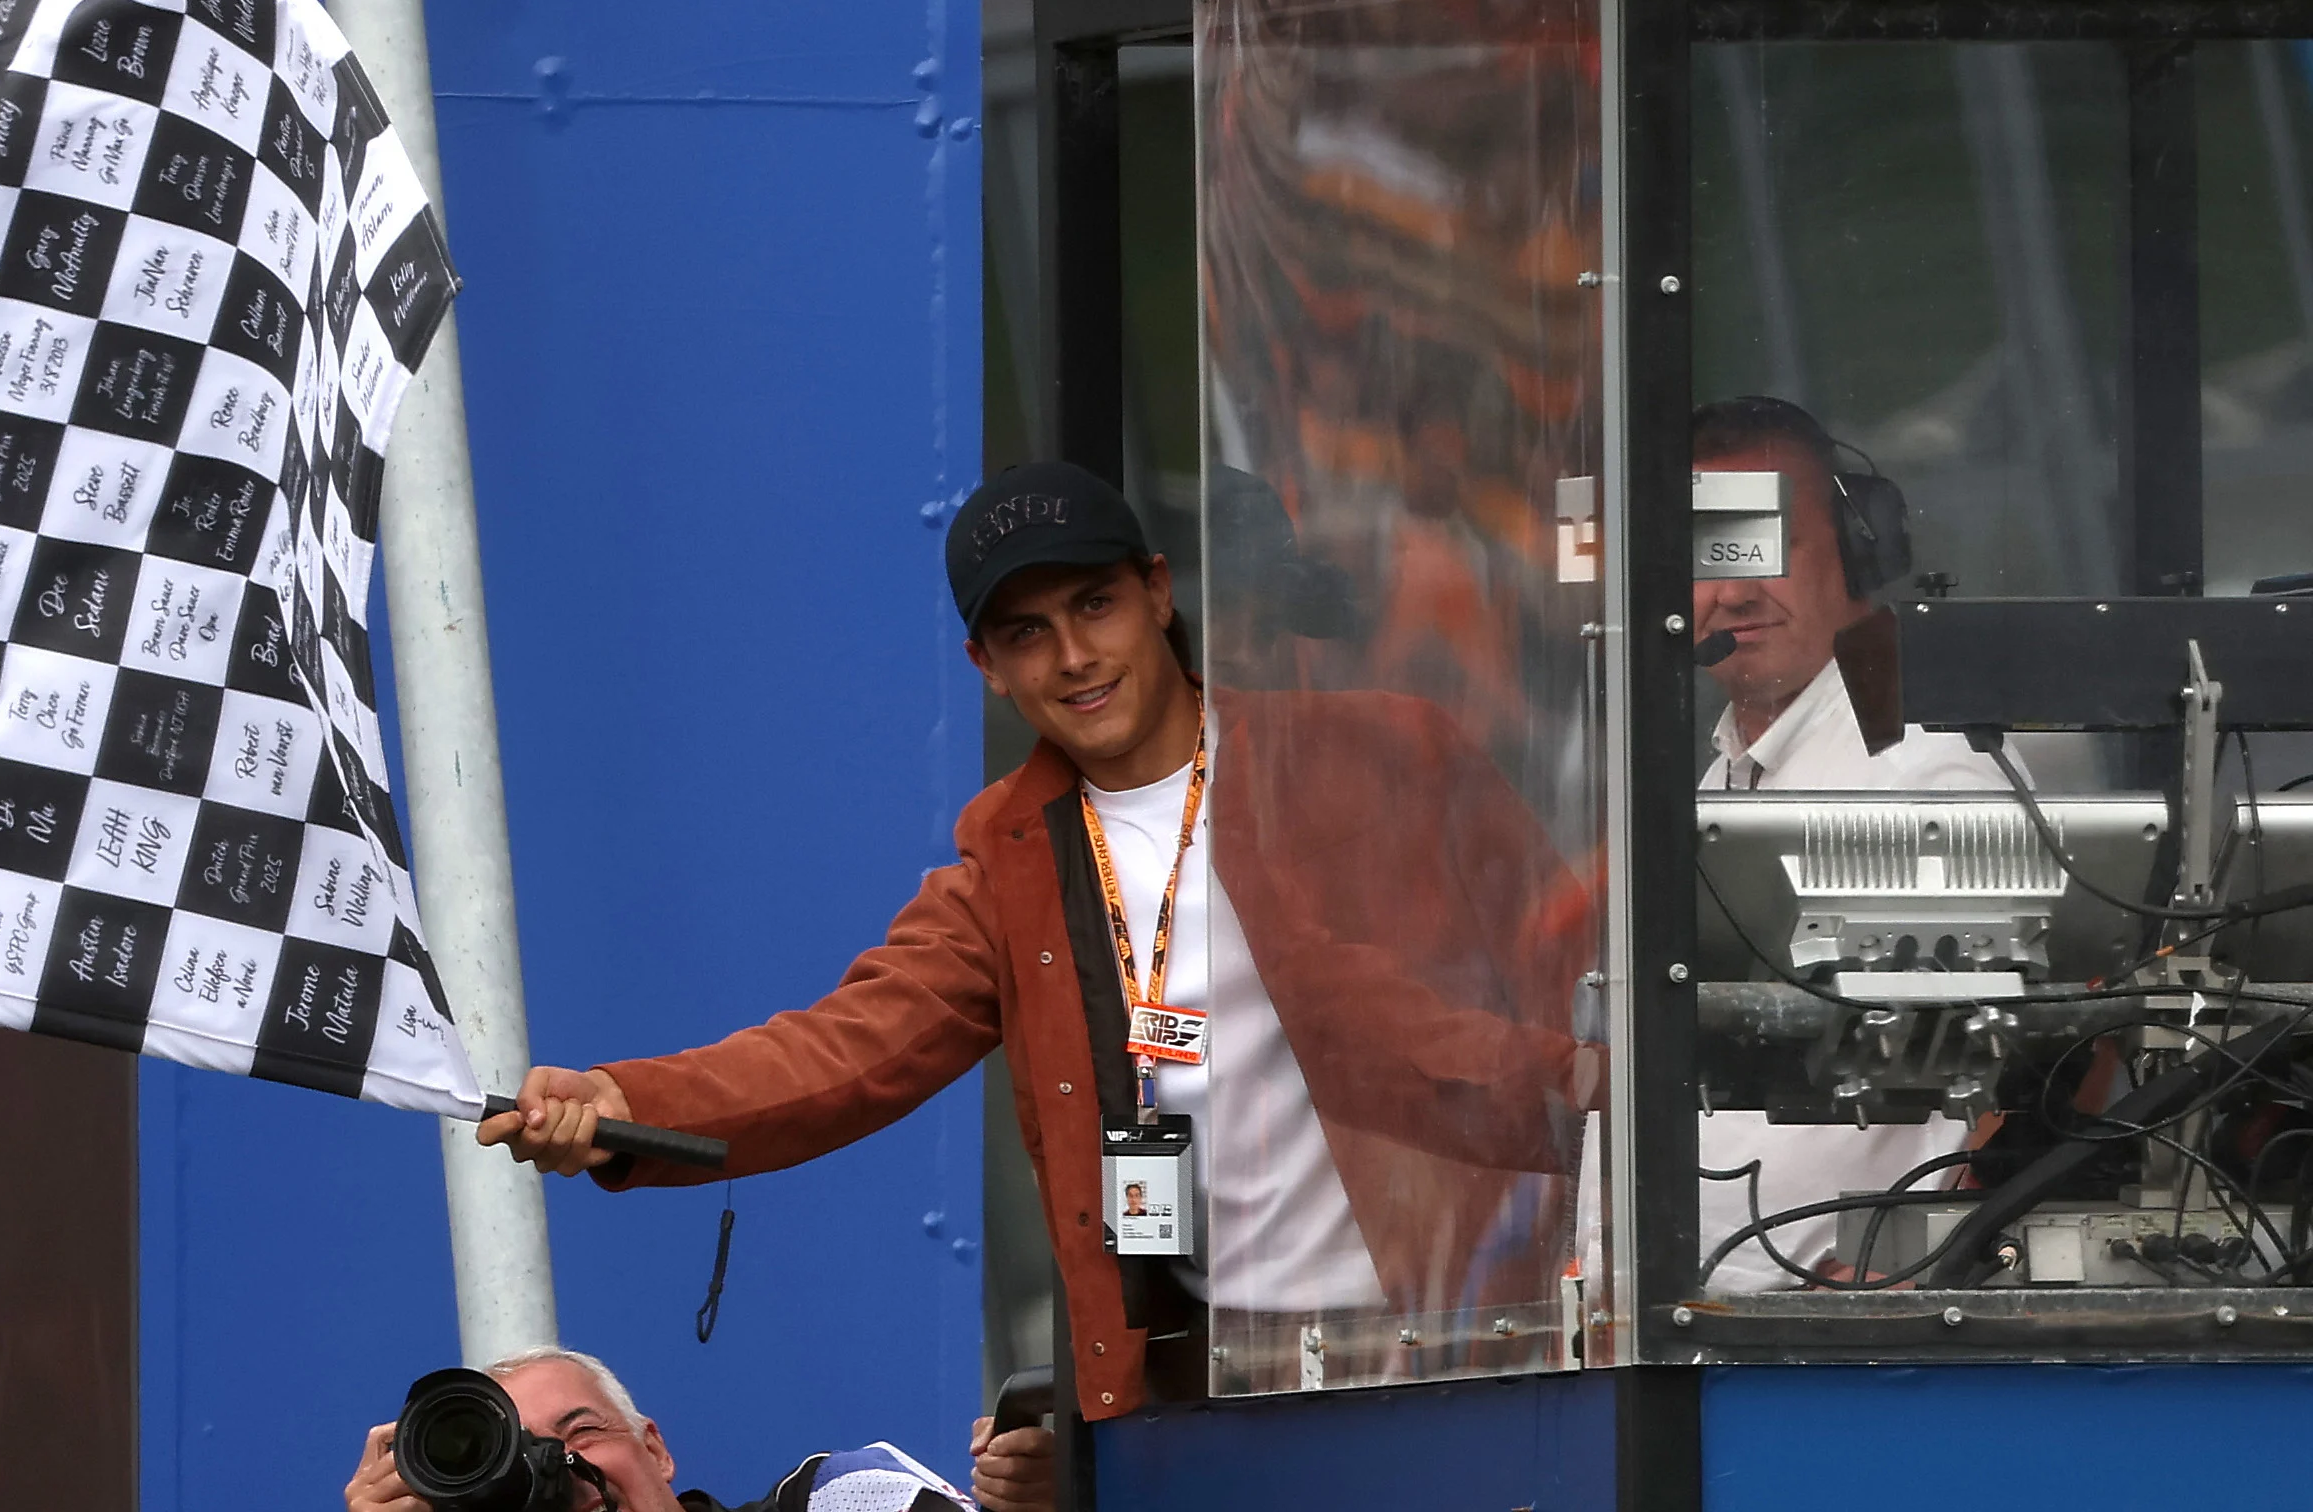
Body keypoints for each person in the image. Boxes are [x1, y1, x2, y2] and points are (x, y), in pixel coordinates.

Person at [481, 463, 1599, 1415]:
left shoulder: (1381, 752)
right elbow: (843, 1052)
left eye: (1095, 605)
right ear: (988, 665)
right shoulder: (1008, 861)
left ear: (1158, 594)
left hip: (1466, 1346)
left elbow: (1575, 988)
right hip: (1211, 1384)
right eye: (1028, 632)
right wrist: (632, 1108)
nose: (1072, 655)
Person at [1688, 395, 2021, 1288]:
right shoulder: (1732, 768)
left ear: (1859, 545)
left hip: (1823, 1347)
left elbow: (2009, 1065)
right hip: (1703, 1327)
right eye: (1706, 554)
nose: (1735, 591)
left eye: (1767, 548)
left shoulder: (1922, 762)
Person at [341, 1345, 996, 1512]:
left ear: (655, 1449)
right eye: (522, 1466)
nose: (562, 1473)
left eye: (581, 1436)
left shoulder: (837, 1496)